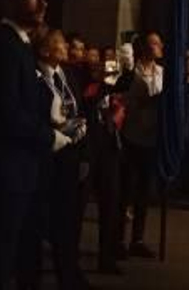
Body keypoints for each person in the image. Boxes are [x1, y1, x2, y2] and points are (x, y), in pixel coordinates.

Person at [0, 0, 66, 290]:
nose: (42, 2)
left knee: (12, 252)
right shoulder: (3, 47)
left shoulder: (21, 46)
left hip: (21, 169)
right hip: (5, 170)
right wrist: (49, 136)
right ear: (10, 0)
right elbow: (7, 113)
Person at [35, 28, 89, 290]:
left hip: (70, 155)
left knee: (68, 221)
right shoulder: (35, 78)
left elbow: (78, 107)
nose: (66, 46)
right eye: (60, 43)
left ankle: (69, 275)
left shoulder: (68, 76)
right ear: (45, 50)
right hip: (45, 156)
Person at [79, 53, 126, 276]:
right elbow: (90, 99)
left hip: (109, 149)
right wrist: (102, 84)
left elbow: (119, 112)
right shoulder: (89, 86)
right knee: (78, 204)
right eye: (101, 66)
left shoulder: (114, 90)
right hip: (90, 149)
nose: (107, 71)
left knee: (111, 203)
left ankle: (106, 256)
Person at [118, 31, 164, 258]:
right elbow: (126, 100)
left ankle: (138, 239)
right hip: (132, 136)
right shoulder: (132, 73)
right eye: (154, 43)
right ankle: (118, 239)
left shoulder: (162, 73)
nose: (159, 47)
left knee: (144, 193)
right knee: (126, 189)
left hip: (151, 139)